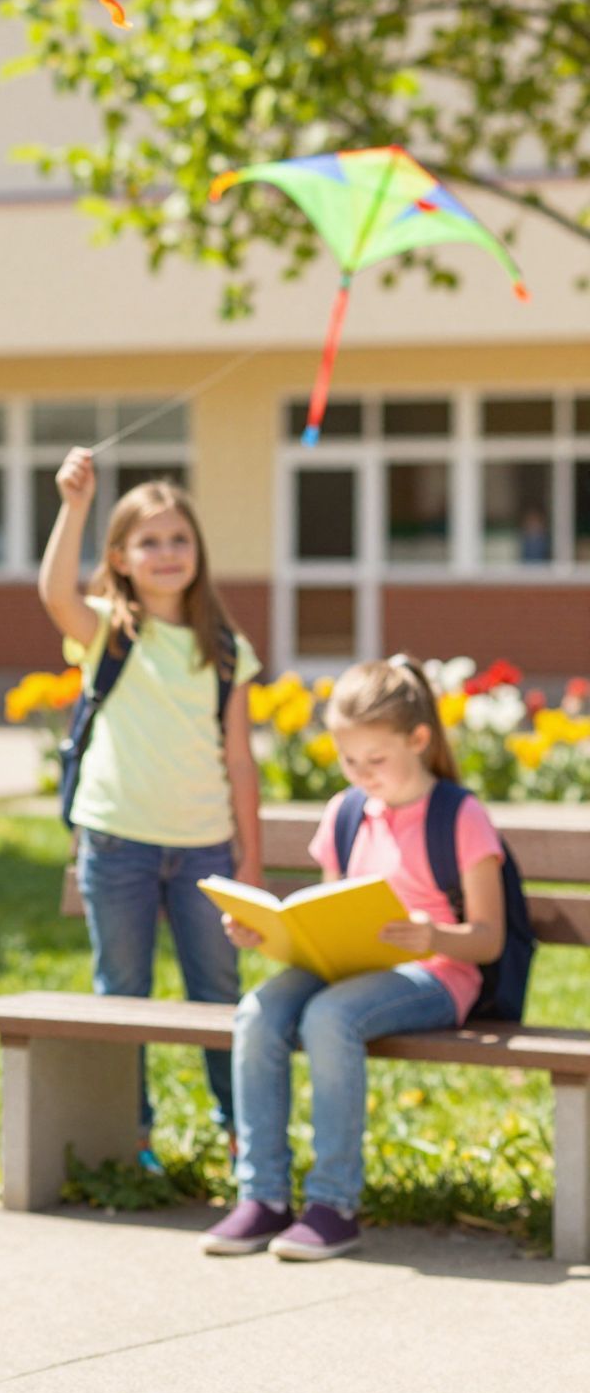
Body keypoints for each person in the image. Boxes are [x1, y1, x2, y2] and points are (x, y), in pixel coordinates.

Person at [204, 654, 504, 1262]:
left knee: (329, 1018)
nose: (362, 775)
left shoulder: (460, 816)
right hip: (352, 969)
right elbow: (329, 909)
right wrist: (268, 933)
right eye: (349, 761)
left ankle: (334, 1204)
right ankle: (261, 1197)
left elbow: (489, 939)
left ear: (419, 740)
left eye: (376, 761)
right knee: (258, 1011)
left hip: (438, 974)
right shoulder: (346, 812)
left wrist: (434, 937)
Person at [38, 447, 262, 1169]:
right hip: (117, 844)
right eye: (149, 541)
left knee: (218, 995)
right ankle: (127, 1139)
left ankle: (241, 1135)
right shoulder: (108, 627)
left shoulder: (226, 648)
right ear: (122, 557)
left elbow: (239, 759)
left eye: (179, 539)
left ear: (198, 552)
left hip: (206, 849)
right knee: (122, 994)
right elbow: (54, 593)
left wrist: (250, 857)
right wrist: (74, 505)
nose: (167, 553)